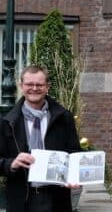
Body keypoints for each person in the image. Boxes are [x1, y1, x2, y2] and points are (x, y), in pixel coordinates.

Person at [0, 65, 81, 212]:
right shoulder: (7, 122)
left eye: (39, 84)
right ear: (21, 86)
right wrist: (12, 163)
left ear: (47, 86)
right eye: (29, 84)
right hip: (21, 199)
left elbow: (75, 152)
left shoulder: (64, 117)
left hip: (56, 198)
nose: (34, 88)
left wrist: (74, 175)